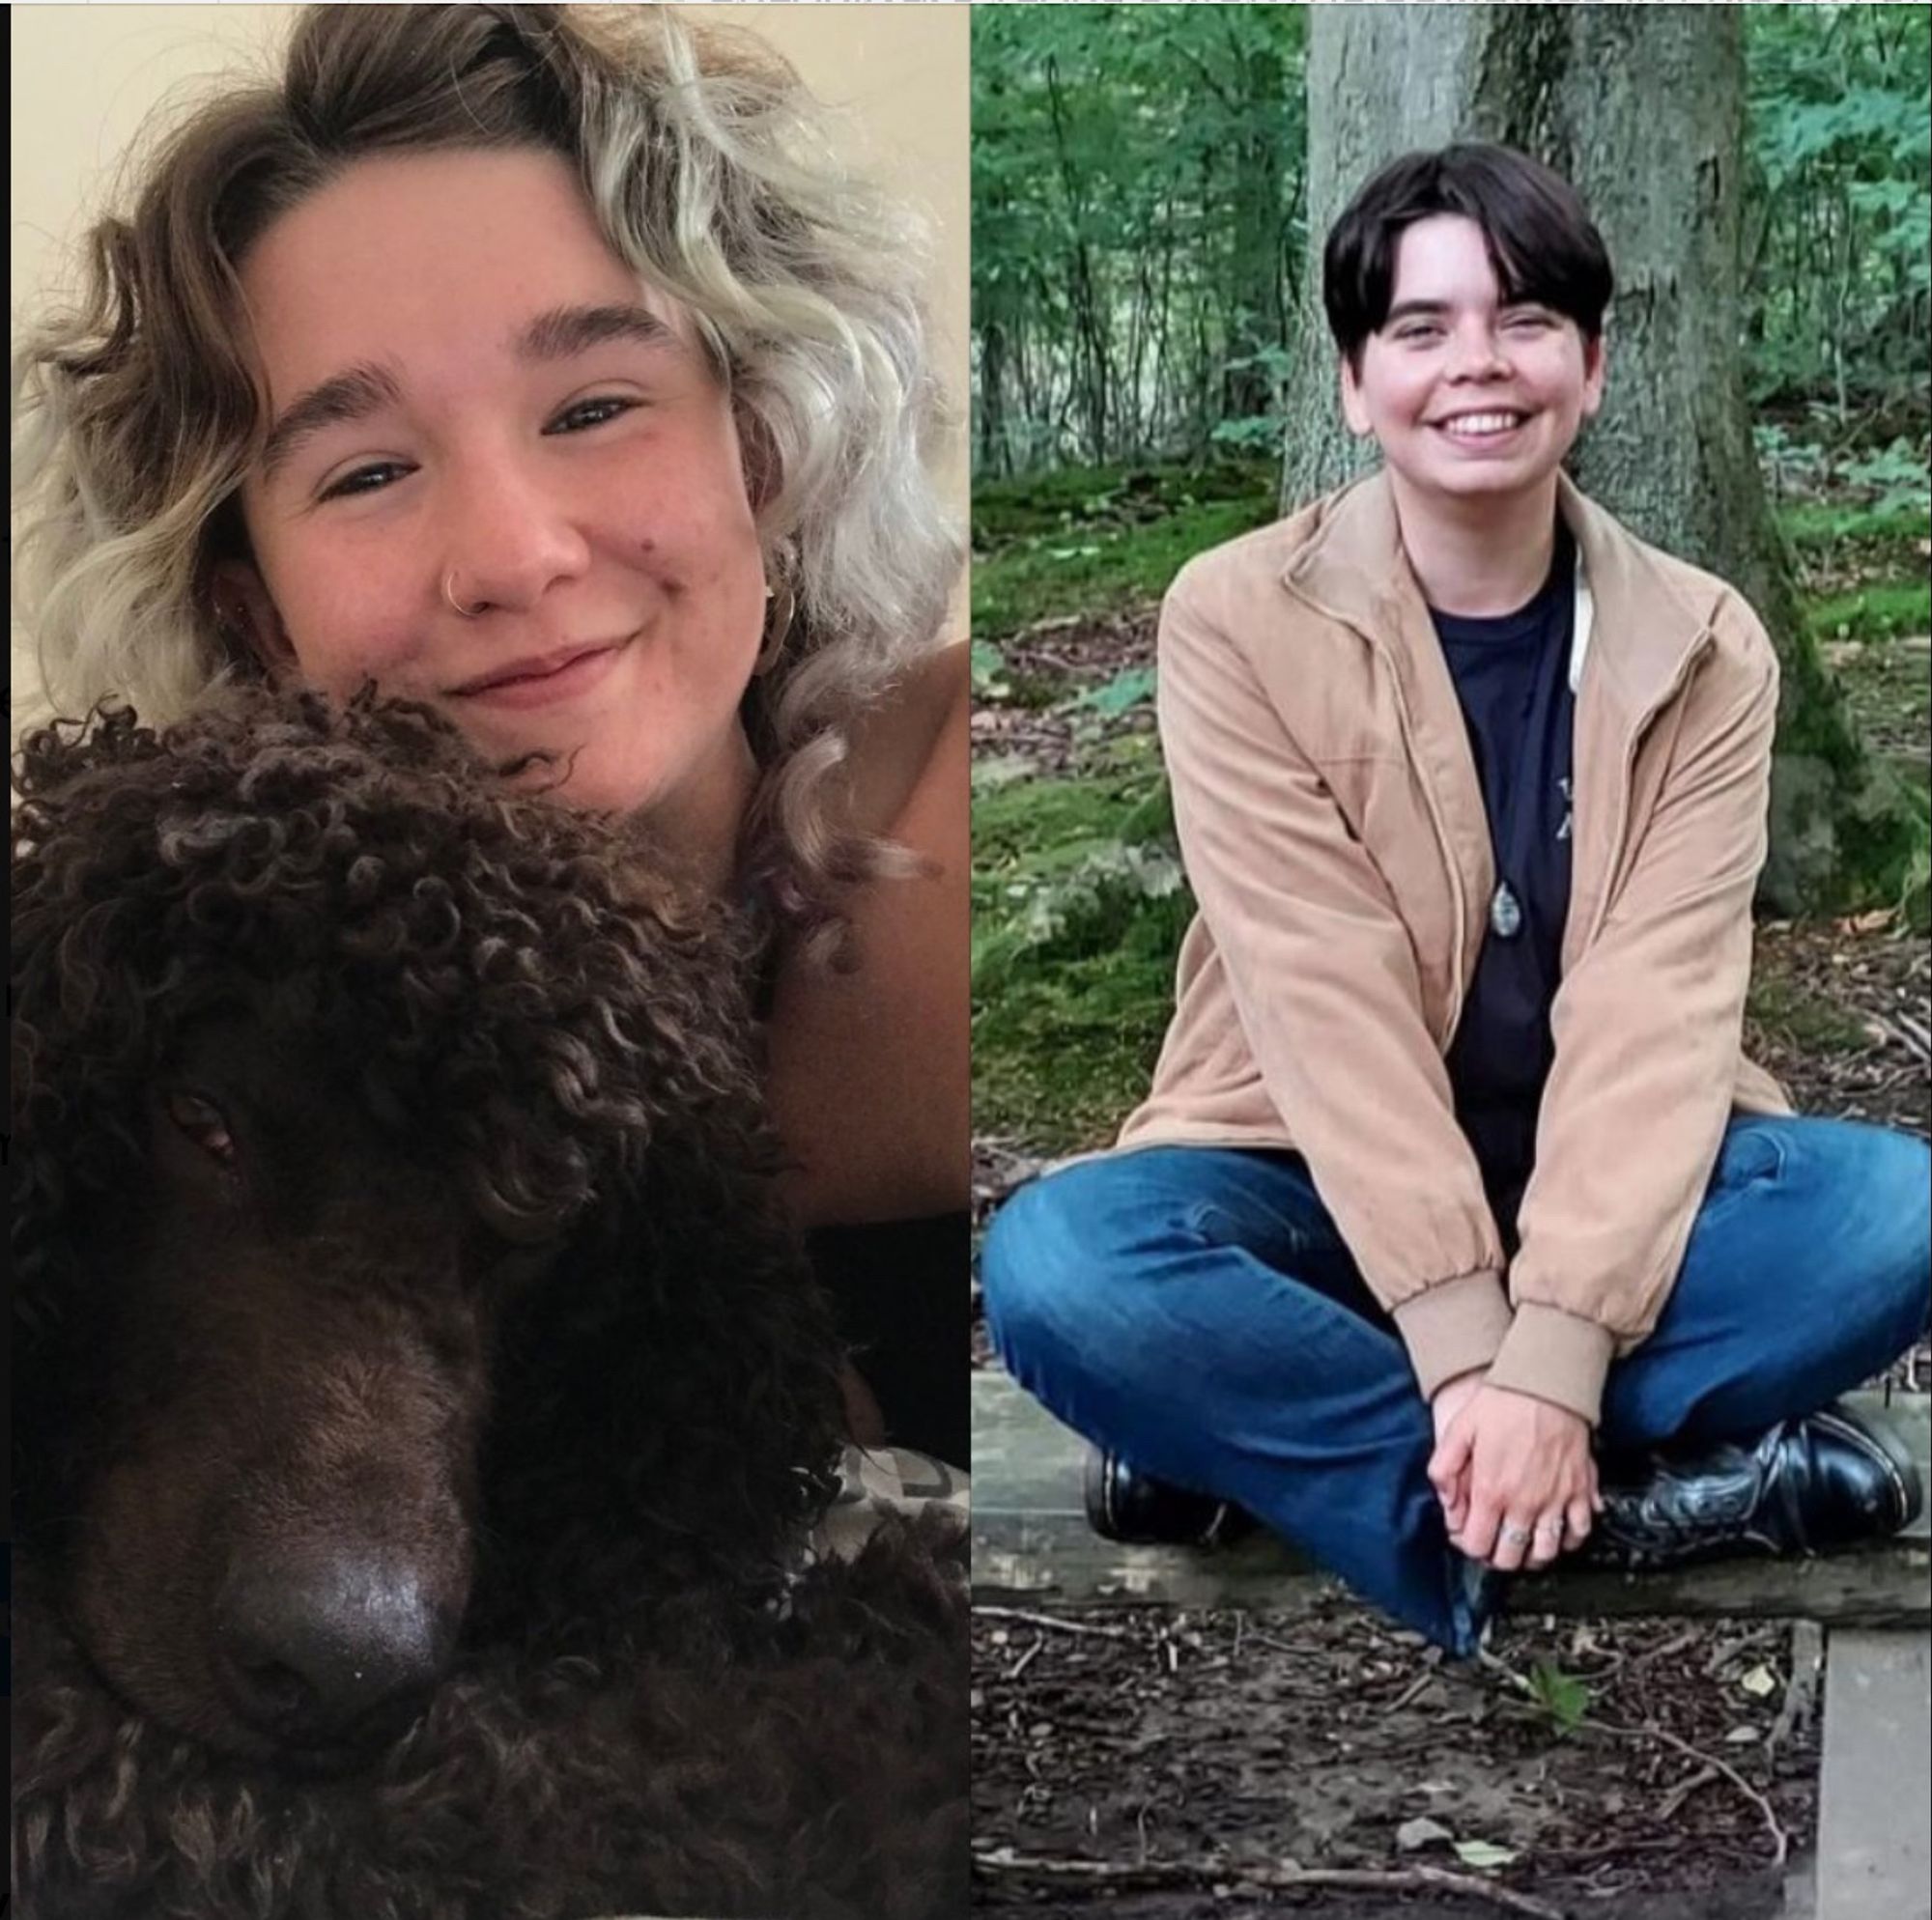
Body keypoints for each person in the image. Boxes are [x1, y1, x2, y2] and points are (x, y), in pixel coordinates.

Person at [980, 143, 1928, 1654]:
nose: (1476, 365)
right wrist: (1471, 1348)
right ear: (1357, 384)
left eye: (1525, 319)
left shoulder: (1704, 643)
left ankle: (1288, 1457)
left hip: (1615, 1205)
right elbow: (1319, 999)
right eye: (1421, 329)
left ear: (1593, 364)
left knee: (1896, 1214)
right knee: (1062, 1265)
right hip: (1305, 1177)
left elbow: (1657, 1011)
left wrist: (1546, 1359)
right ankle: (1609, 1511)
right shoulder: (1236, 616)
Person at [11, 4, 969, 1467]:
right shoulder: (166, 1035)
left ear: (761, 450)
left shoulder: (961, 793)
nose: (513, 556)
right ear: (258, 614)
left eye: (592, 405)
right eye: (369, 470)